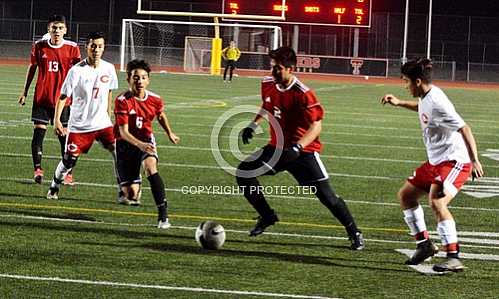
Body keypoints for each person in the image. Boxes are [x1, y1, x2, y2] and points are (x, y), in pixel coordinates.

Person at [236, 46, 364, 250]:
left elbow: (316, 125)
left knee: (327, 197)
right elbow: (267, 105)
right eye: (272, 67)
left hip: (303, 152)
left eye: (278, 68)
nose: (273, 72)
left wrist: (297, 147)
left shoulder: (304, 94)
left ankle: (354, 231)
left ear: (290, 68)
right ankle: (267, 216)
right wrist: (254, 124)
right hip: (276, 149)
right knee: (244, 172)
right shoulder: (267, 84)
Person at [380, 58, 484, 272]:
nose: (405, 86)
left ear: (417, 81)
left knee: (437, 203)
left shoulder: (438, 101)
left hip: (454, 161)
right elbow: (422, 108)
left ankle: (453, 256)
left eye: (406, 82)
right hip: (435, 161)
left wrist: (474, 160)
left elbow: (465, 128)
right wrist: (399, 102)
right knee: (406, 196)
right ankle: (424, 245)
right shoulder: (427, 96)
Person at [47, 32, 120, 200]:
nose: (96, 49)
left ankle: (122, 189)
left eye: (100, 46)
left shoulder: (109, 68)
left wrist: (109, 116)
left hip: (102, 123)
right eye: (93, 46)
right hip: (79, 126)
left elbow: (108, 93)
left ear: (104, 48)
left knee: (118, 152)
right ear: (87, 47)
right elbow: (63, 97)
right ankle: (54, 186)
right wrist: (57, 120)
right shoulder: (76, 71)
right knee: (69, 161)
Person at [114, 59, 180, 228]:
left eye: (143, 77)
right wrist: (139, 145)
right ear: (128, 79)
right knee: (131, 196)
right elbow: (123, 132)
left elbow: (161, 115)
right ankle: (127, 185)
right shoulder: (122, 100)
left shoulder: (155, 99)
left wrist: (169, 132)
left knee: (151, 167)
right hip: (125, 144)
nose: (140, 81)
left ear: (148, 79)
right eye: (136, 77)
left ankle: (163, 216)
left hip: (146, 140)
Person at [19, 15, 81, 185]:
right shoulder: (39, 46)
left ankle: (67, 174)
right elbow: (32, 68)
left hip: (63, 101)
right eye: (54, 28)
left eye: (60, 28)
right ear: (49, 29)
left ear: (65, 30)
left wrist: (78, 96)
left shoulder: (72, 48)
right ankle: (37, 170)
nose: (57, 31)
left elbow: (78, 75)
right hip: (42, 98)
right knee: (39, 133)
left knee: (64, 138)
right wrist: (25, 91)